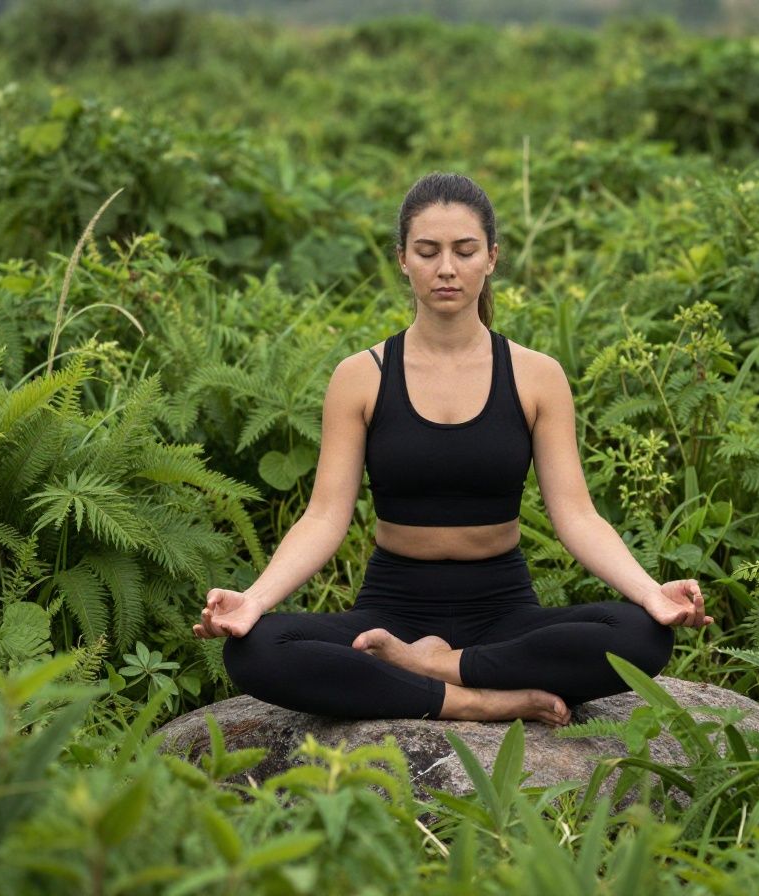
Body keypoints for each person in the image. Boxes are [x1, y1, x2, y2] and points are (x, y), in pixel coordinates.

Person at [193, 172, 712, 726]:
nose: (446, 268)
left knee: (642, 635)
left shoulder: (537, 376)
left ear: (491, 258)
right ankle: (475, 699)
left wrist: (650, 593)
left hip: (503, 610)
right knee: (254, 648)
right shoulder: (361, 377)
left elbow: (577, 515)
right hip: (391, 608)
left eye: (464, 251)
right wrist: (255, 600)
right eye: (427, 251)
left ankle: (434, 669)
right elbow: (324, 516)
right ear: (402, 259)